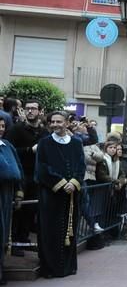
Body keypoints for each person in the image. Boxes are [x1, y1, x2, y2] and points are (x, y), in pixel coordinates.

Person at [35, 111, 86, 278]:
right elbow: (42, 169)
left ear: (66, 123)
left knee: (69, 231)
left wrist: (74, 183)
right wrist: (63, 183)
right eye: (53, 122)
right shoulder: (44, 143)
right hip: (51, 196)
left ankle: (68, 267)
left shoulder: (77, 143)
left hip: (71, 196)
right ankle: (50, 268)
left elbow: (81, 166)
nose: (55, 124)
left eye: (59, 121)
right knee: (50, 231)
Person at [6, 99, 48, 255]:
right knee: (18, 208)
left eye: (34, 109)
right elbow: (9, 151)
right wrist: (30, 150)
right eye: (27, 108)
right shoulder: (16, 130)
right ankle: (14, 243)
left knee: (31, 210)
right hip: (20, 175)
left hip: (37, 176)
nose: (30, 111)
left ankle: (23, 239)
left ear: (40, 111)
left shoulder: (44, 132)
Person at [0, 118, 24, 284]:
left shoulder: (7, 145)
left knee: (3, 234)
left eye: (2, 126)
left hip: (7, 194)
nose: (1, 129)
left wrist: (19, 191)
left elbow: (18, 170)